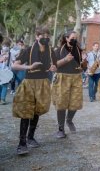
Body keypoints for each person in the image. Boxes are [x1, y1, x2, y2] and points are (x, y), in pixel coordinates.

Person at [12, 27, 57, 155]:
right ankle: (22, 144)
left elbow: (55, 65)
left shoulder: (50, 50)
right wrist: (29, 66)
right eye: (43, 35)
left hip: (43, 83)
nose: (45, 37)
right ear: (37, 37)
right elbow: (14, 65)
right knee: (26, 112)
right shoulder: (28, 50)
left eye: (47, 35)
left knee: (36, 111)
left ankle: (30, 137)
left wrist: (54, 67)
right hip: (29, 83)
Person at [53, 31, 87, 138]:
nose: (74, 40)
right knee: (61, 104)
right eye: (72, 38)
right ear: (66, 38)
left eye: (76, 38)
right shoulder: (58, 51)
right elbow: (53, 66)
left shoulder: (79, 50)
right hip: (62, 77)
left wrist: (84, 62)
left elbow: (84, 68)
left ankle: (69, 120)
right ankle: (61, 129)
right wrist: (65, 60)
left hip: (76, 77)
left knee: (76, 102)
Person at [0, 40, 12, 104]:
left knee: (4, 85)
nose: (5, 47)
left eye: (7, 46)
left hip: (6, 71)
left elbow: (12, 62)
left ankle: (2, 99)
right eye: (4, 45)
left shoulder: (10, 53)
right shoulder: (0, 52)